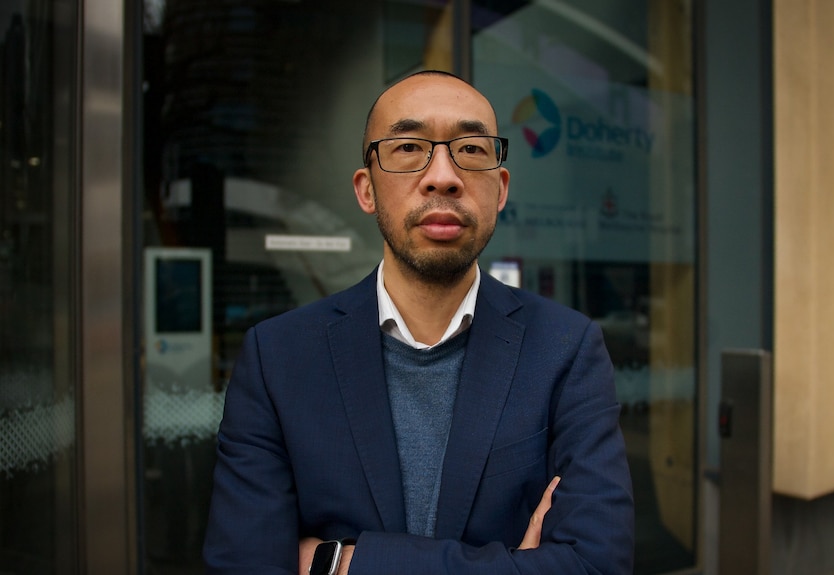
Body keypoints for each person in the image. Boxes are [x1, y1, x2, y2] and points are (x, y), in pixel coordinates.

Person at [203, 70, 634, 575]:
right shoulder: (278, 358)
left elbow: (597, 565)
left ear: (500, 189)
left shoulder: (566, 348)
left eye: (471, 150)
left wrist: (343, 564)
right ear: (366, 190)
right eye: (408, 147)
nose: (443, 175)